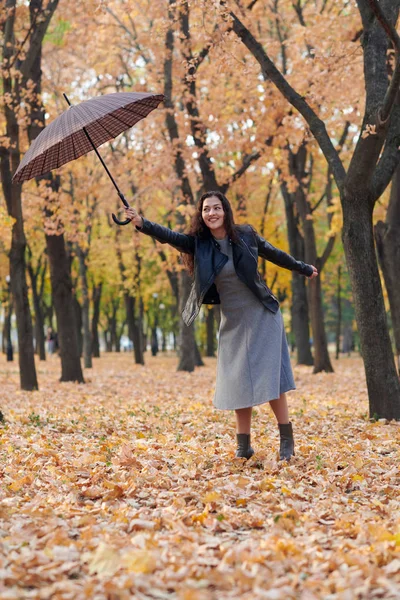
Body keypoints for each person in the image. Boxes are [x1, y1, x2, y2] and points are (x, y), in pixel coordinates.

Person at [125, 191, 318, 461]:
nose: (212, 213)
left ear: (225, 211)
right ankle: (243, 446)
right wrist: (141, 222)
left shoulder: (246, 235)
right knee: (239, 379)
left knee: (271, 380)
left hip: (263, 314)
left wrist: (303, 268)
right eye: (206, 210)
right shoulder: (198, 244)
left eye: (217, 208)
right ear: (201, 215)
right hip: (233, 320)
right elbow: (169, 236)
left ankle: (286, 441)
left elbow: (274, 254)